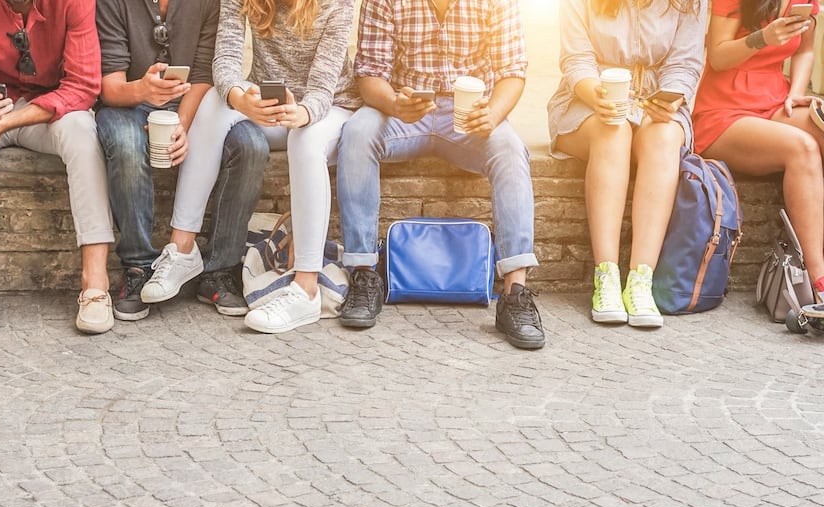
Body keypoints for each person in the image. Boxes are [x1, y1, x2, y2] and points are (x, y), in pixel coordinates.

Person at [336, 0, 546, 349]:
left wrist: (492, 114)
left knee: (510, 148)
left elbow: (513, 71)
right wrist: (393, 103)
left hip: (469, 115)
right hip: (404, 108)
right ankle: (363, 275)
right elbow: (369, 74)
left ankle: (515, 293)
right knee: (357, 133)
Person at [145, 0, 360, 334]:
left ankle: (306, 289)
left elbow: (322, 88)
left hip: (328, 109)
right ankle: (183, 248)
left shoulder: (337, 5)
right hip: (269, 106)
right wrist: (239, 98)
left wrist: (302, 113)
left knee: (304, 139)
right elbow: (226, 61)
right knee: (214, 100)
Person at [0, 0, 117, 334]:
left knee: (82, 132)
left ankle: (95, 282)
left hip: (44, 109)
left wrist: (5, 124)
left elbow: (83, 86)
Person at [94, 0, 269, 322]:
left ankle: (217, 270)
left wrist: (184, 125)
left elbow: (205, 74)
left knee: (251, 146)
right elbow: (110, 89)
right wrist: (143, 90)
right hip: (129, 104)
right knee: (126, 143)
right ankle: (138, 267)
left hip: (197, 104)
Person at [548, 0, 706, 329]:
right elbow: (576, 60)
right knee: (614, 130)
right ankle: (605, 276)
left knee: (663, 139)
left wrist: (673, 97)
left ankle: (640, 280)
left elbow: (686, 63)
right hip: (588, 101)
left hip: (655, 104)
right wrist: (599, 98)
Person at [693, 0, 824, 301]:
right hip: (723, 111)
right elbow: (718, 56)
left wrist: (795, 94)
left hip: (776, 100)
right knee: (802, 147)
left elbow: (805, 49)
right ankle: (818, 281)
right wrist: (763, 38)